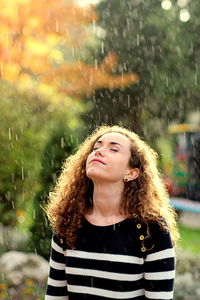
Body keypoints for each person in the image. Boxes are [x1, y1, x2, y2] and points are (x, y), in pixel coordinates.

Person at [44, 125, 179, 300]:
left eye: (114, 149)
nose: (99, 152)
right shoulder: (69, 221)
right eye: (96, 147)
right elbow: (55, 295)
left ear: (131, 173)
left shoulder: (151, 229)